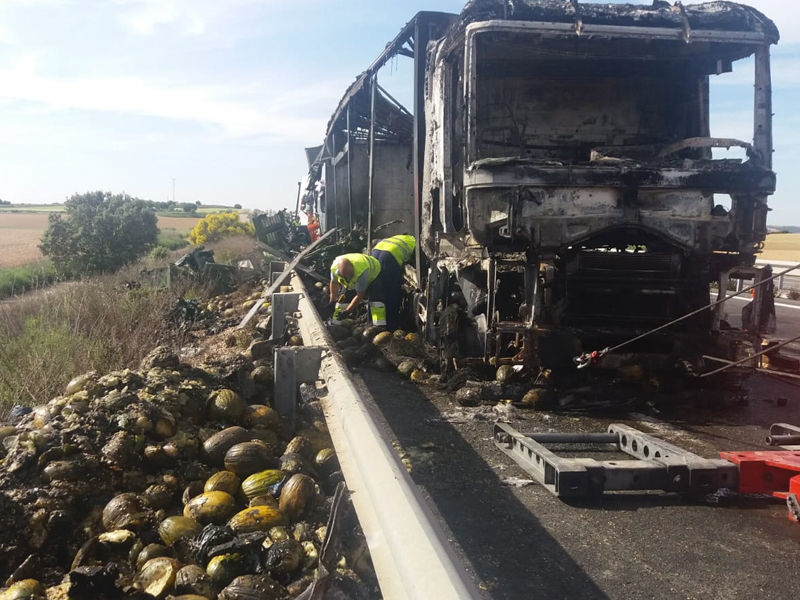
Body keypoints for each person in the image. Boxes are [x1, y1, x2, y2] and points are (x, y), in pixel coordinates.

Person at [371, 234, 416, 332]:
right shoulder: (416, 242)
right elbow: (417, 261)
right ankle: (391, 327)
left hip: (375, 252)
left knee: (375, 290)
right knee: (391, 292)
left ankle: (373, 324)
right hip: (389, 257)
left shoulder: (397, 237)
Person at [327, 254, 385, 325]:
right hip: (352, 279)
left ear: (352, 267)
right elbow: (334, 283)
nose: (348, 277)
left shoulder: (361, 272)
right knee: (343, 299)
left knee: (375, 300)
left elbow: (359, 295)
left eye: (349, 274)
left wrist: (348, 311)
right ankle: (336, 323)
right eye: (345, 275)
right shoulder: (334, 268)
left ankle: (379, 325)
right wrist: (332, 300)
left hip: (374, 273)